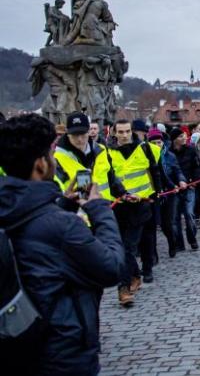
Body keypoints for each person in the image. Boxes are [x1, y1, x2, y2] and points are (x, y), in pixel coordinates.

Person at [0, 114, 124, 376]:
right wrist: (99, 208)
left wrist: (64, 204)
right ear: (40, 165)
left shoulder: (11, 209)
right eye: (51, 153)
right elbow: (111, 267)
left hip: (16, 342)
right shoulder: (62, 227)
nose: (55, 159)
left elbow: (33, 229)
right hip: (62, 350)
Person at [92, 119, 162, 306]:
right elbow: (108, 178)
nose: (124, 135)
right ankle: (131, 279)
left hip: (142, 204)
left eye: (127, 131)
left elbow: (155, 172)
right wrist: (120, 195)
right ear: (114, 133)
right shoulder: (106, 153)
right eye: (120, 132)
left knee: (131, 246)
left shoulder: (144, 148)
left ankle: (126, 287)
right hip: (119, 205)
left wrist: (156, 194)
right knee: (121, 246)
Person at [147, 128, 187, 258]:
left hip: (170, 193)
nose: (157, 145)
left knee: (167, 223)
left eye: (159, 142)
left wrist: (180, 181)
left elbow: (177, 171)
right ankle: (153, 255)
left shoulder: (170, 156)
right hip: (153, 193)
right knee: (152, 224)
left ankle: (172, 243)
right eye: (153, 143)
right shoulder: (146, 157)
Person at [53, 111, 104, 192]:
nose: (79, 139)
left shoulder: (101, 150)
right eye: (75, 135)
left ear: (88, 132)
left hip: (105, 203)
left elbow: (110, 177)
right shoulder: (58, 159)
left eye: (83, 134)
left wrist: (122, 192)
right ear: (67, 133)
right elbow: (56, 187)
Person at [169, 128, 199, 251]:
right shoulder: (168, 152)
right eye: (181, 136)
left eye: (184, 136)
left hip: (189, 186)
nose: (184, 138)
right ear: (174, 139)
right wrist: (172, 184)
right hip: (174, 188)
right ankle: (179, 243)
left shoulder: (191, 150)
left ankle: (192, 239)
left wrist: (194, 180)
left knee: (189, 214)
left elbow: (197, 167)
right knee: (175, 217)